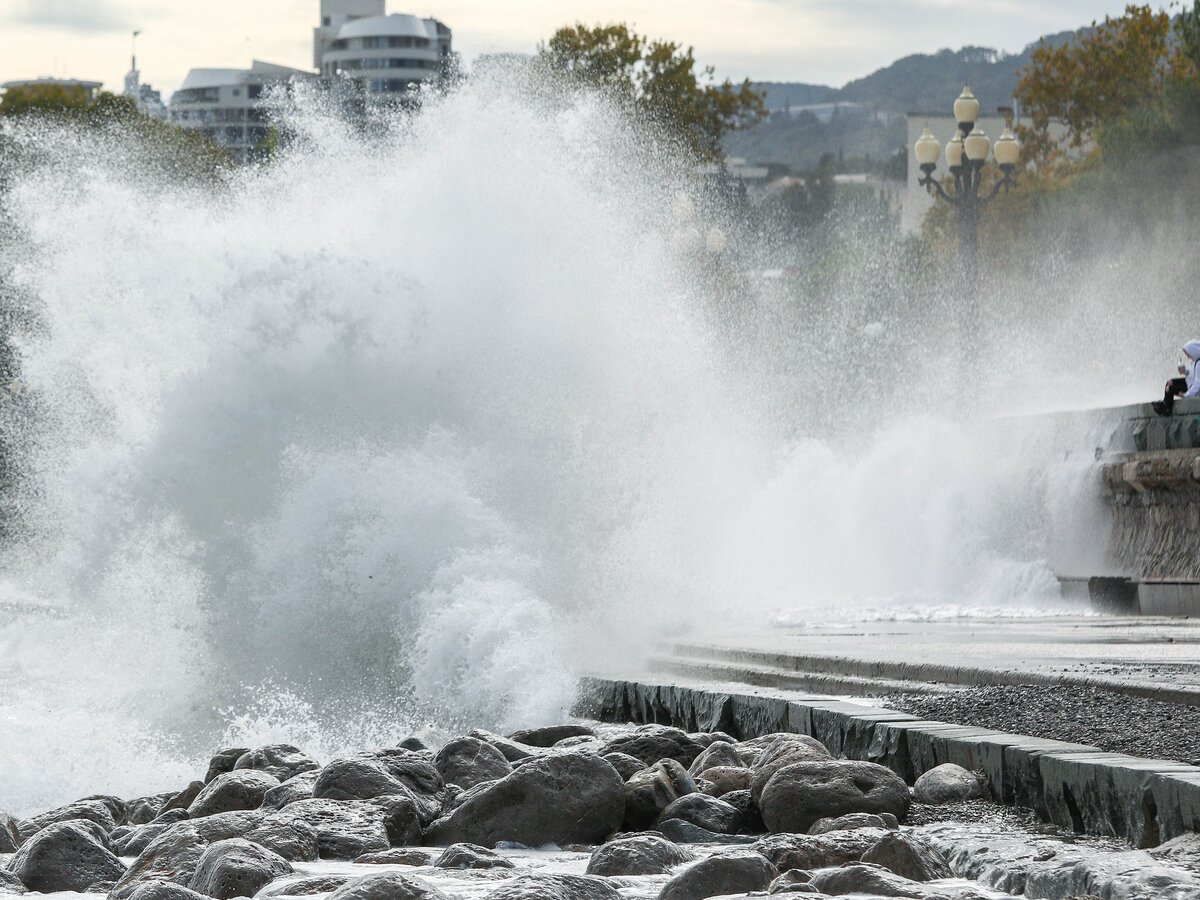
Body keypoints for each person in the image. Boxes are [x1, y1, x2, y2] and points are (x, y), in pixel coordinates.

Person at [1152, 340, 1200, 416]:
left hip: (1192, 388)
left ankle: (1167, 409)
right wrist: (1185, 372)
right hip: (1189, 383)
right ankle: (1165, 403)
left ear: (1193, 351)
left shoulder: (1199, 363)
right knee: (1170, 382)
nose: (1187, 356)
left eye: (1188, 354)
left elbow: (1198, 383)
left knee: (1170, 388)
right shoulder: (1195, 361)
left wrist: (1187, 395)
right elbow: (1192, 375)